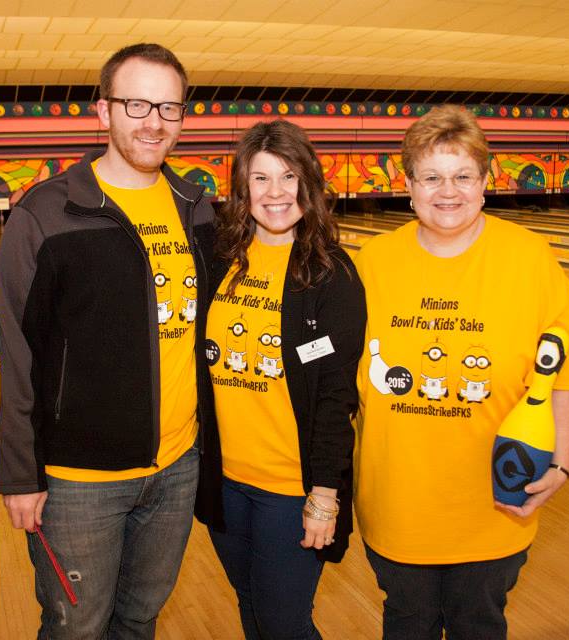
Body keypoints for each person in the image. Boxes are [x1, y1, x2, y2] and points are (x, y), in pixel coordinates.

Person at [0, 43, 215, 639]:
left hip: (176, 468)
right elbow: (14, 350)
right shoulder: (47, 212)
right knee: (76, 628)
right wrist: (19, 473)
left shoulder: (197, 208)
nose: (154, 122)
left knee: (139, 620)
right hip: (77, 480)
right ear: (103, 110)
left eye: (169, 107)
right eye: (136, 104)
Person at [354, 104, 569, 639]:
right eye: (431, 177)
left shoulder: (529, 258)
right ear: (408, 184)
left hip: (495, 503)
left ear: (486, 181)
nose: (448, 191)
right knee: (406, 623)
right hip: (398, 502)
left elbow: (565, 368)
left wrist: (562, 465)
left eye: (463, 176)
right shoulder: (374, 261)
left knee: (479, 625)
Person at [195, 120, 367, 639]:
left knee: (282, 624)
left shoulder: (330, 274)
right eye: (261, 178)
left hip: (291, 490)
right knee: (251, 606)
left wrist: (325, 495)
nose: (275, 192)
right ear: (242, 187)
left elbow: (336, 396)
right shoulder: (221, 259)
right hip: (226, 483)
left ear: (308, 184)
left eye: (288, 177)